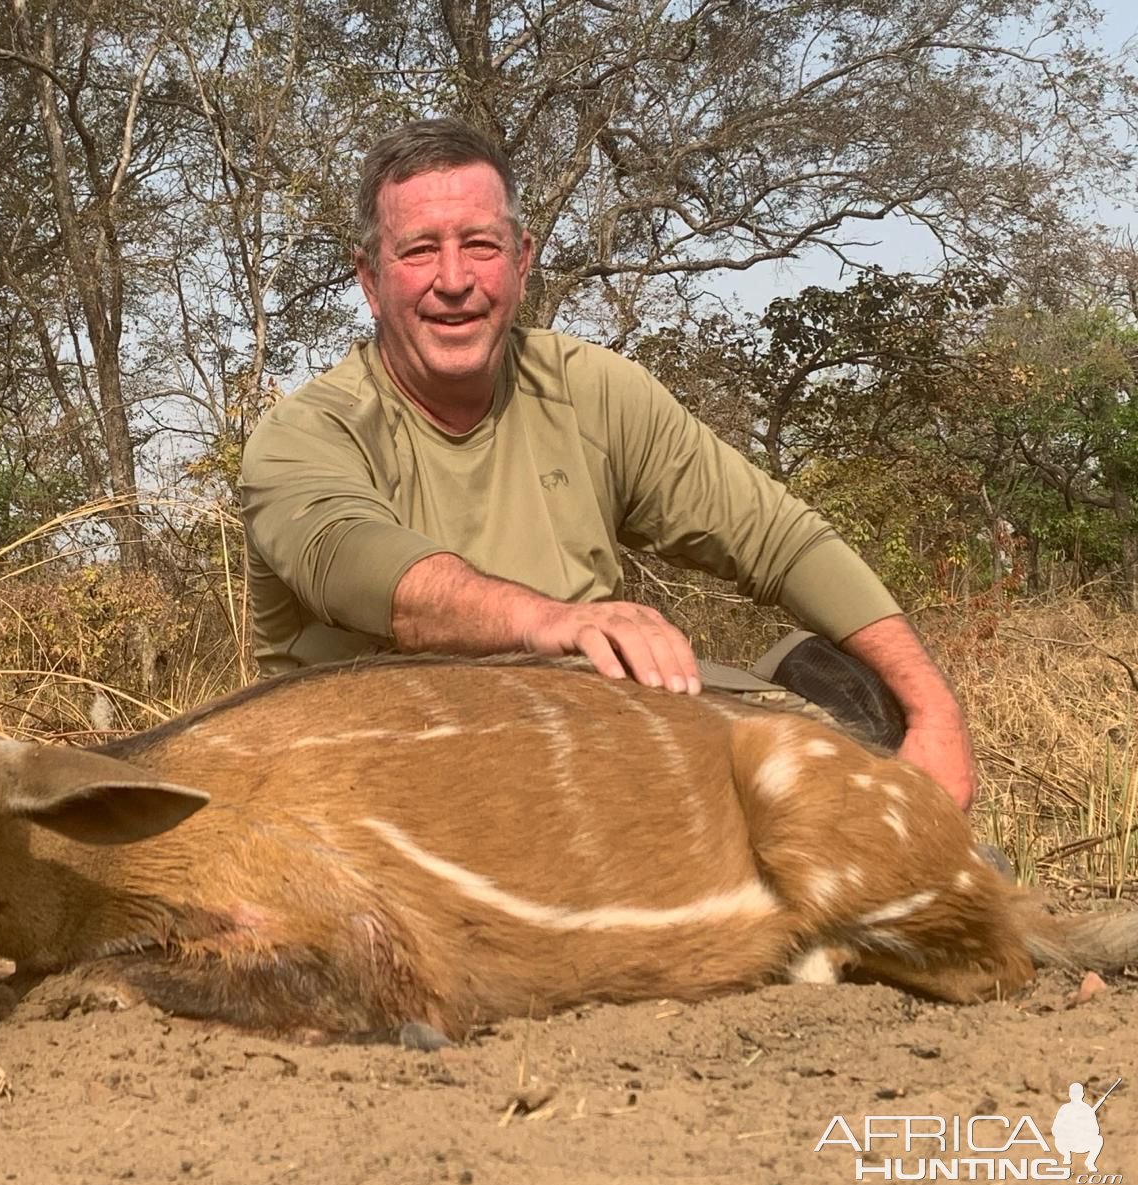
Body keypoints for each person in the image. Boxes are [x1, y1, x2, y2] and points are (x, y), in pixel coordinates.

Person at [238, 118, 977, 811]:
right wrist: (554, 621)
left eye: (482, 246)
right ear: (370, 280)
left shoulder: (590, 389)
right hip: (375, 778)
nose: (455, 279)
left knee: (850, 711)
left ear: (522, 263)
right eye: (420, 250)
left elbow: (780, 540)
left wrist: (934, 710)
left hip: (583, 742)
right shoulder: (304, 434)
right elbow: (378, 575)